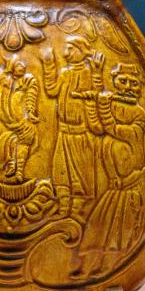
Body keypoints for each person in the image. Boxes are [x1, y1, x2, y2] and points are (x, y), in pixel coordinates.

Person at [70, 63, 145, 279]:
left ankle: (110, 270)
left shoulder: (139, 113)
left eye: (133, 83)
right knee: (98, 227)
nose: (127, 87)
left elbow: (116, 130)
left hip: (130, 184)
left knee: (119, 232)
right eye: (122, 82)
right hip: (114, 184)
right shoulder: (113, 105)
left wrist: (104, 108)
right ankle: (89, 267)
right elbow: (97, 128)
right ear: (114, 82)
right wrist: (92, 105)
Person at [41, 37, 104, 205]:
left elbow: (97, 93)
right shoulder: (65, 73)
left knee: (81, 174)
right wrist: (49, 64)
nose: (65, 53)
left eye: (70, 49)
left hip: (81, 134)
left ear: (82, 52)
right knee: (61, 171)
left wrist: (97, 73)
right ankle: (63, 208)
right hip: (63, 132)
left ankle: (79, 209)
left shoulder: (88, 73)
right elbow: (52, 90)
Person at [0, 55, 41, 184]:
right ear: (12, 67)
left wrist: (31, 112)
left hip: (20, 119)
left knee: (24, 137)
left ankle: (17, 169)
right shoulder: (5, 79)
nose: (23, 66)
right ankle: (13, 164)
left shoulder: (28, 80)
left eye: (23, 65)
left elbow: (31, 97)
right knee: (24, 136)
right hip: (7, 117)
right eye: (19, 65)